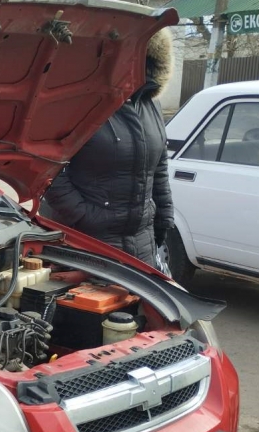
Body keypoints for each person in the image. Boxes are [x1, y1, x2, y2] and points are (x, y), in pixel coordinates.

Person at [41, 29, 174, 267]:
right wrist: (85, 215)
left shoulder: (149, 105)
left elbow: (159, 168)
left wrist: (164, 218)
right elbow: (46, 168)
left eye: (138, 53)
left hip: (143, 245)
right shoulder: (77, 103)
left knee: (140, 305)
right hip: (88, 243)